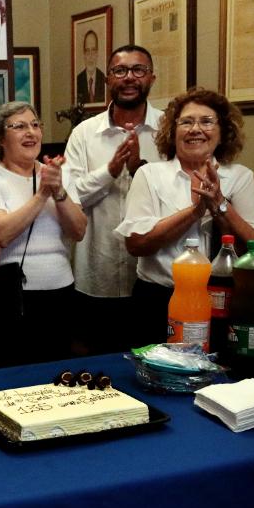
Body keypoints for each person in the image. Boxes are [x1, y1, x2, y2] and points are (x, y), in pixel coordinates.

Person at [116, 87, 254, 347]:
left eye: (206, 121)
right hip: (157, 300)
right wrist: (194, 212)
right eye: (186, 122)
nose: (196, 129)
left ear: (223, 131)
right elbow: (136, 244)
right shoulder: (150, 175)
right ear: (172, 132)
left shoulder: (240, 177)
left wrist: (219, 204)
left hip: (221, 299)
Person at [64, 44, 164, 354]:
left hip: (153, 278)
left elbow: (178, 198)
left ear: (152, 77)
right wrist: (109, 172)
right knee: (95, 368)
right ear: (108, 79)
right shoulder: (84, 133)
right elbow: (69, 197)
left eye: (138, 70)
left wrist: (138, 171)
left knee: (149, 364)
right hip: (96, 275)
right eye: (120, 71)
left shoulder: (169, 131)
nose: (129, 77)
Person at [0, 101, 86, 366]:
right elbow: (1, 234)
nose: (31, 132)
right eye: (19, 126)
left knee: (57, 371)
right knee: (12, 372)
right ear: (0, 138)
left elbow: (79, 231)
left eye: (35, 125)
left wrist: (58, 191)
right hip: (10, 297)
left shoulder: (59, 175)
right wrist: (42, 195)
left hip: (60, 291)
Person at [76, 30, 106, 104]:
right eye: (87, 51)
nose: (90, 56)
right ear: (84, 54)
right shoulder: (78, 81)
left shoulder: (103, 79)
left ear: (97, 53)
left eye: (93, 50)